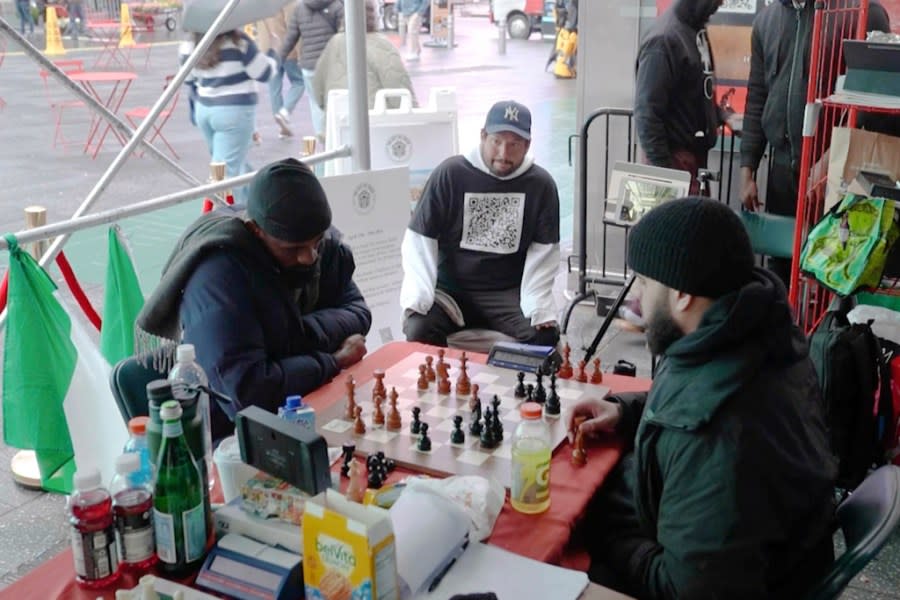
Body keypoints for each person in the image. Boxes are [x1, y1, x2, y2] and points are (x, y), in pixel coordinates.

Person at [570, 197, 836, 598]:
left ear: (681, 295)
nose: (636, 300)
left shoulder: (722, 439)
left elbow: (688, 589)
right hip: (721, 539)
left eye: (644, 282)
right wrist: (627, 411)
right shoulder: (747, 330)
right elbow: (696, 393)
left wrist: (597, 530)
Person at [136, 159, 372, 441]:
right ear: (254, 230)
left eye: (316, 242)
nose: (309, 257)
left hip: (305, 410)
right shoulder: (217, 275)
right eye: (293, 249)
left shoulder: (308, 233)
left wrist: (295, 336)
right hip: (227, 439)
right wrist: (334, 360)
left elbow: (359, 312)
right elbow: (249, 395)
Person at [740, 0, 889, 284]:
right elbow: (757, 96)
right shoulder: (767, 20)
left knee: (839, 268)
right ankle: (783, 328)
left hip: (840, 172)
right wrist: (747, 168)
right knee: (782, 264)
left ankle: (830, 328)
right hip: (783, 169)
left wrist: (829, 160)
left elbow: (872, 102)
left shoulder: (862, 12)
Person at [401, 100, 561, 348]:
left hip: (507, 293)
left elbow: (545, 251)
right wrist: (419, 296)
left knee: (544, 338)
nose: (503, 154)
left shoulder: (541, 184)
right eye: (497, 141)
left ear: (527, 145)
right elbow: (420, 238)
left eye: (514, 144)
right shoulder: (451, 174)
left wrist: (537, 304)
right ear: (483, 136)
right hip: (451, 290)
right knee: (419, 328)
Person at [633, 0, 724, 194]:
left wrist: (723, 115)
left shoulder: (693, 30)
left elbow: (694, 93)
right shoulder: (664, 39)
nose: (721, 3)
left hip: (691, 162)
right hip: (673, 163)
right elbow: (647, 114)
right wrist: (666, 178)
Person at [178, 30, 276, 203]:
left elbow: (188, 78)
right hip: (235, 112)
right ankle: (229, 218)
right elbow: (265, 73)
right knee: (225, 175)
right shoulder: (240, 42)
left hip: (204, 110)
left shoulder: (189, 44)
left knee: (231, 164)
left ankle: (254, 205)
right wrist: (272, 51)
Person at [312, 0, 416, 112]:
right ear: (374, 15)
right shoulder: (382, 45)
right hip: (374, 122)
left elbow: (318, 88)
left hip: (337, 120)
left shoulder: (334, 43)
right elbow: (399, 90)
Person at [280, 0, 345, 142]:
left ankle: (321, 138)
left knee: (316, 105)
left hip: (309, 66)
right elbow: (344, 36)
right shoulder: (337, 7)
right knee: (333, 103)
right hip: (331, 65)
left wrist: (280, 57)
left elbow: (291, 38)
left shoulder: (299, 8)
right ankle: (333, 139)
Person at [257, 5, 306, 139]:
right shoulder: (288, 3)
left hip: (267, 49)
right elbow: (293, 28)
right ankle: (284, 112)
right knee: (299, 82)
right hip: (286, 48)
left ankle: (282, 125)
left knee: (274, 88)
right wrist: (300, 52)